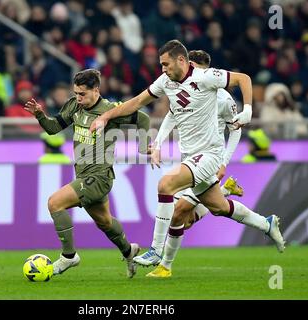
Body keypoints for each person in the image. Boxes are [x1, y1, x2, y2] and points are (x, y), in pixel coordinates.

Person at [90, 40, 285, 278]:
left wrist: (248, 110)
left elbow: (243, 78)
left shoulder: (206, 78)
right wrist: (105, 117)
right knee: (219, 207)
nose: (162, 69)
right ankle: (267, 224)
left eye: (165, 64)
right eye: (161, 65)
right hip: (191, 155)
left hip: (211, 154)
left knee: (165, 185)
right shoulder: (166, 82)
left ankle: (156, 249)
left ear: (181, 60)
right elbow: (136, 103)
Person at [24, 69, 150, 278]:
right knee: (105, 222)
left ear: (96, 90)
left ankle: (69, 256)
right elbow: (54, 128)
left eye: (82, 94)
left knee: (55, 203)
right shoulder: (74, 105)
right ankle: (129, 251)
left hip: (100, 177)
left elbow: (143, 119)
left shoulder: (111, 110)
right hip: (83, 176)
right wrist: (40, 114)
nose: (78, 98)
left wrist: (144, 147)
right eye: (76, 93)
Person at [133, 49, 245, 267]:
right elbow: (171, 116)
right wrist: (157, 144)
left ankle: (161, 259)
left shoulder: (222, 97)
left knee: (179, 211)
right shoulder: (184, 91)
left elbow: (236, 130)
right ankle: (225, 191)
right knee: (184, 221)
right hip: (189, 157)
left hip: (208, 158)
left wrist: (224, 161)